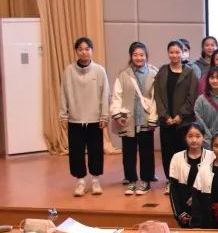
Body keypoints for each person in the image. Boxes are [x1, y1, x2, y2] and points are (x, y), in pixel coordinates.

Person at [60, 37, 110, 197]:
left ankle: (95, 180)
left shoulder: (99, 70)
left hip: (95, 119)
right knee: (76, 151)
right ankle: (80, 181)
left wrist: (104, 116)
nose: (84, 52)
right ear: (76, 51)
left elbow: (105, 94)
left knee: (96, 151)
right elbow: (63, 93)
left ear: (92, 50)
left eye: (87, 49)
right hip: (75, 118)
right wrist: (63, 115)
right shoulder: (69, 71)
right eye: (80, 49)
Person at [111, 41, 157, 195]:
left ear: (146, 56)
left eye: (141, 55)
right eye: (135, 55)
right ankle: (131, 180)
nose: (139, 58)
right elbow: (117, 96)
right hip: (128, 119)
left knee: (147, 152)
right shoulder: (123, 75)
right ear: (131, 56)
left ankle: (146, 181)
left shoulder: (153, 74)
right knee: (128, 152)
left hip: (145, 119)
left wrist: (153, 117)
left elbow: (156, 98)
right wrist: (117, 114)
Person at [153, 40, 199, 193]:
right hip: (166, 121)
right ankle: (170, 181)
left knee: (183, 151)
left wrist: (181, 115)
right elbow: (157, 95)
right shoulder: (162, 71)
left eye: (177, 52)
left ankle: (184, 181)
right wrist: (165, 115)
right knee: (167, 152)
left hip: (183, 122)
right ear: (168, 53)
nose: (174, 55)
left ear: (182, 53)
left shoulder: (190, 72)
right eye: (171, 52)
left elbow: (192, 96)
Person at [167, 122, 211, 226]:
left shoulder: (212, 156)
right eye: (190, 136)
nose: (194, 140)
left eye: (198, 136)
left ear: (204, 137)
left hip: (206, 210)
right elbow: (173, 188)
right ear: (185, 138)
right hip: (185, 210)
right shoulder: (177, 158)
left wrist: (197, 198)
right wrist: (180, 213)